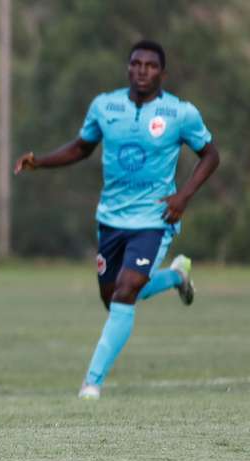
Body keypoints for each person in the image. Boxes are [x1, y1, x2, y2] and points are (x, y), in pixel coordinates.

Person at [14, 40, 219, 400]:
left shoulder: (180, 113)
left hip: (155, 218)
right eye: (136, 64)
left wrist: (183, 197)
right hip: (110, 218)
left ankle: (91, 383)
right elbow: (81, 147)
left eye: (150, 65)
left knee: (126, 292)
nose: (142, 70)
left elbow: (211, 155)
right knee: (113, 298)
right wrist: (39, 161)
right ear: (128, 69)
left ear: (163, 73)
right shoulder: (104, 106)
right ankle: (175, 276)